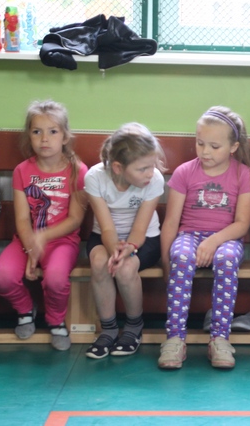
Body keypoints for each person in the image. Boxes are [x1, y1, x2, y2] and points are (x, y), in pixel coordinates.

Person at [157, 106, 250, 370]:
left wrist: (213, 242)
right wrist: (165, 261)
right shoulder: (185, 172)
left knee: (227, 259)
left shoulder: (244, 174)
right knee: (180, 256)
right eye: (200, 143)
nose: (205, 152)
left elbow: (242, 224)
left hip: (226, 238)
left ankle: (220, 339)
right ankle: (175, 339)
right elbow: (171, 222)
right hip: (189, 235)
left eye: (214, 146)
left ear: (233, 147)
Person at [0, 100, 88, 350]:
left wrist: (42, 239)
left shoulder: (78, 170)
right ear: (29, 136)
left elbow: (75, 219)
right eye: (37, 131)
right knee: (2, 277)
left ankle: (55, 320)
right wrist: (31, 248)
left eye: (52, 131)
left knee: (55, 279)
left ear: (65, 136)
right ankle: (25, 309)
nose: (44, 139)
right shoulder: (22, 171)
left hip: (62, 242)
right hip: (25, 240)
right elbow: (23, 219)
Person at [83, 123, 166, 359]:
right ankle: (108, 329)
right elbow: (106, 227)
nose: (150, 173)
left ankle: (133, 326)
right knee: (99, 263)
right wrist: (113, 250)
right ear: (118, 167)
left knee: (126, 268)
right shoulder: (95, 177)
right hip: (105, 236)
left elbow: (140, 228)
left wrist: (127, 249)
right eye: (142, 169)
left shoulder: (154, 180)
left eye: (152, 166)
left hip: (144, 239)